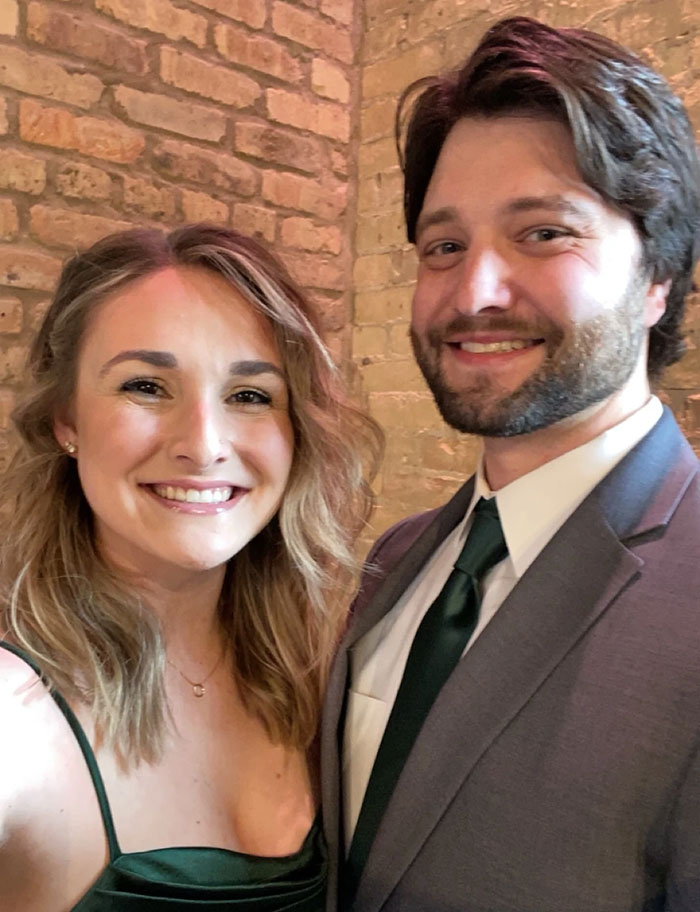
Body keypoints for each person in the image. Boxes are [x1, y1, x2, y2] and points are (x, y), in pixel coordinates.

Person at [321, 16, 700, 912]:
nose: (475, 292)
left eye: (542, 234)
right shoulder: (395, 563)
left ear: (657, 278)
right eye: (444, 247)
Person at [0, 223, 380, 911]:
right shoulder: (14, 710)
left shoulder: (313, 678)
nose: (204, 445)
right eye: (146, 386)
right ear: (66, 419)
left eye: (250, 395)